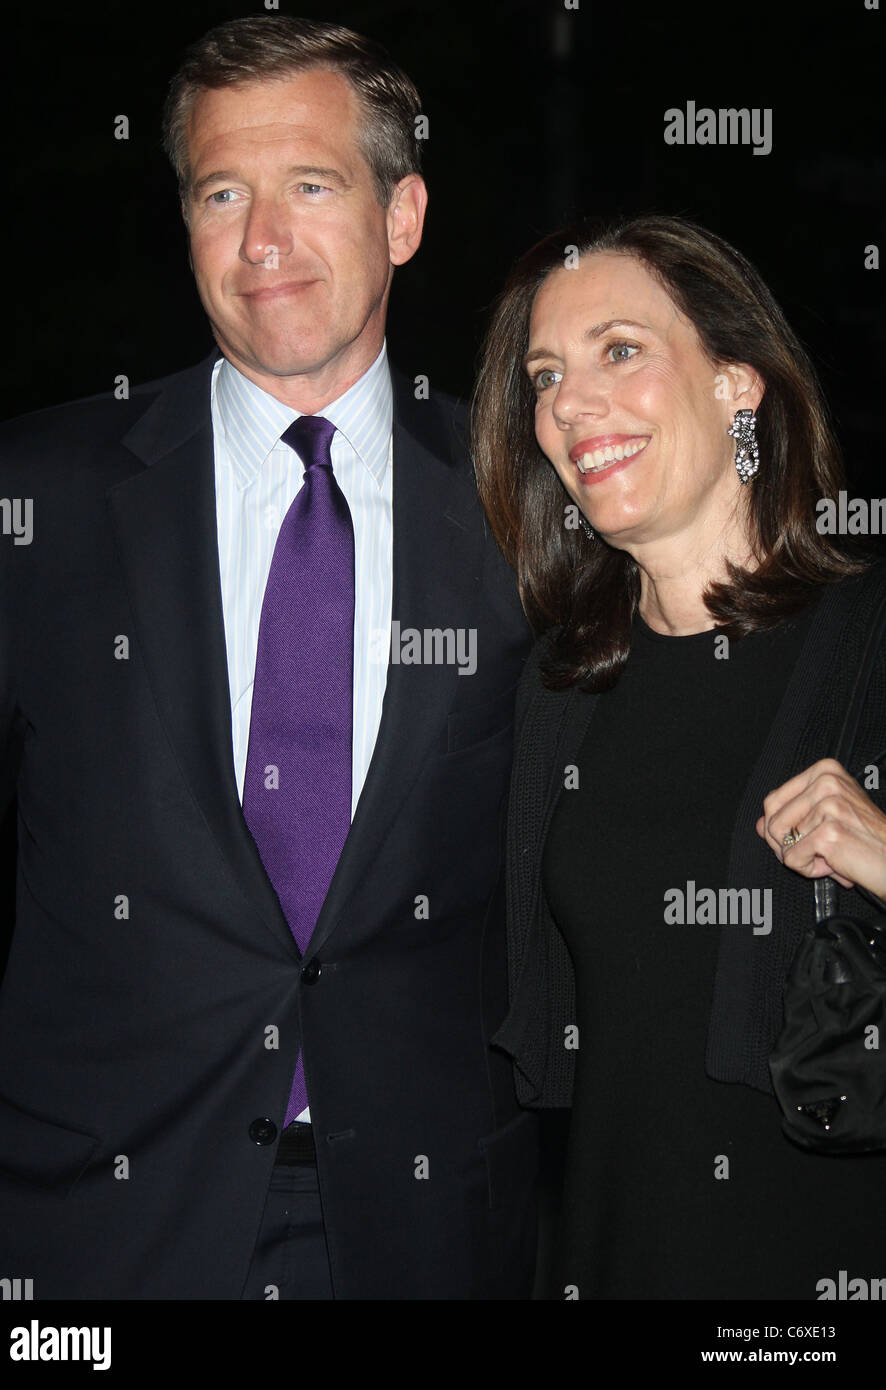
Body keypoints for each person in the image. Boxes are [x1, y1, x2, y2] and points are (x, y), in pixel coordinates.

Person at [0, 16, 538, 1300]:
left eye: (311, 186)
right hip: (87, 1233)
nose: (262, 240)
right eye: (223, 192)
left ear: (403, 217)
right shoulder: (23, 503)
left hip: (424, 1227)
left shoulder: (528, 506)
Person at [472, 214, 886, 1299]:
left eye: (619, 350)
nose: (568, 403)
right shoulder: (563, 689)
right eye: (544, 376)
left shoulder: (868, 644)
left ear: (735, 384)